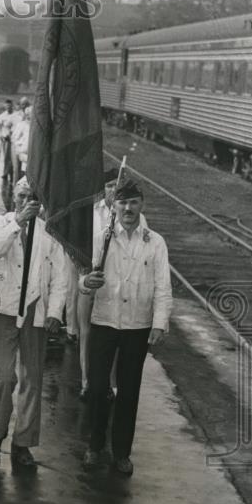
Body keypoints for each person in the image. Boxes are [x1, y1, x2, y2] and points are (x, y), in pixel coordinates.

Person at [79, 178, 171, 475]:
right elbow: (83, 275)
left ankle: (121, 452)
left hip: (137, 326)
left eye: (133, 202)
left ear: (141, 204)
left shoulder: (154, 242)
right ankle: (95, 446)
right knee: (96, 387)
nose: (128, 208)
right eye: (122, 202)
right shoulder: (102, 237)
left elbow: (163, 287)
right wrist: (86, 283)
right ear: (114, 205)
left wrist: (159, 323)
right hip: (105, 320)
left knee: (129, 391)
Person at [0, 178, 72, 468]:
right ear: (13, 198)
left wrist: (56, 311)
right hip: (4, 309)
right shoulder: (1, 222)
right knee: (5, 377)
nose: (25, 201)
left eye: (31, 197)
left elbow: (61, 276)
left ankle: (23, 443)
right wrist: (17, 222)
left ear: (40, 202)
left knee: (32, 379)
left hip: (35, 309)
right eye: (20, 196)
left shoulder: (50, 234)